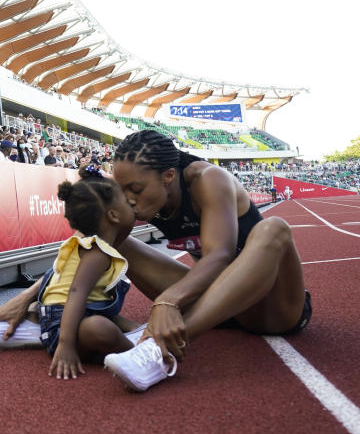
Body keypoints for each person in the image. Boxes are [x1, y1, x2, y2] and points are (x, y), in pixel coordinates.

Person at [96, 130, 309, 392]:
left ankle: (158, 350)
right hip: (218, 308)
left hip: (272, 308)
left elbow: (220, 255)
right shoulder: (139, 198)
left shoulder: (208, 179)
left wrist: (169, 300)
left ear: (168, 176)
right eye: (122, 188)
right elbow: (94, 245)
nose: (128, 198)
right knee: (112, 237)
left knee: (274, 228)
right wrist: (35, 297)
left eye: (136, 189)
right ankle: (57, 315)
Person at [0, 166, 144, 380]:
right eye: (126, 201)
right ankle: (137, 353)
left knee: (98, 310)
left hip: (58, 317)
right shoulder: (97, 253)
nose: (132, 202)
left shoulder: (82, 244)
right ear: (113, 215)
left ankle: (136, 334)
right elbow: (76, 294)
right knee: (97, 327)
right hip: (64, 327)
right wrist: (66, 345)